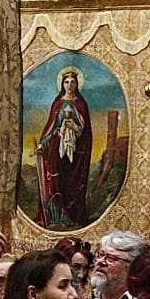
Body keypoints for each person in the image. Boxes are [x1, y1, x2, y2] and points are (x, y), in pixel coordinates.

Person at [36, 69, 93, 227]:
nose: (69, 85)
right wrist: (43, 143)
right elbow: (51, 127)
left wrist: (74, 127)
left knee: (73, 185)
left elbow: (85, 131)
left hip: (76, 155)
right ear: (62, 84)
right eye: (66, 82)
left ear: (77, 84)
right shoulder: (58, 103)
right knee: (56, 182)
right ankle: (59, 218)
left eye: (72, 82)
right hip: (57, 151)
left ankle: (74, 217)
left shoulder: (81, 105)